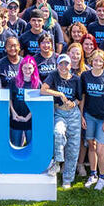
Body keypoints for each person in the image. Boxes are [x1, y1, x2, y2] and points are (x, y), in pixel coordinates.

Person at [42, 53, 84, 187]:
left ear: (71, 65)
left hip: (73, 115)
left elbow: (79, 98)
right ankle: (58, 162)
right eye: (61, 63)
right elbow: (43, 90)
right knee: (58, 133)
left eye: (66, 64)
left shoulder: (76, 80)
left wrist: (74, 103)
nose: (64, 66)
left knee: (73, 147)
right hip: (59, 112)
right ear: (57, 65)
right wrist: (60, 94)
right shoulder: (54, 75)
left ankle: (67, 179)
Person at [79, 50, 104, 189]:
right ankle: (93, 174)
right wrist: (81, 115)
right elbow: (83, 96)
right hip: (89, 116)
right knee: (91, 145)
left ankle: (102, 177)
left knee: (101, 149)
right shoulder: (85, 76)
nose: (97, 63)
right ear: (91, 61)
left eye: (100, 61)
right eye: (95, 60)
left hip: (103, 118)